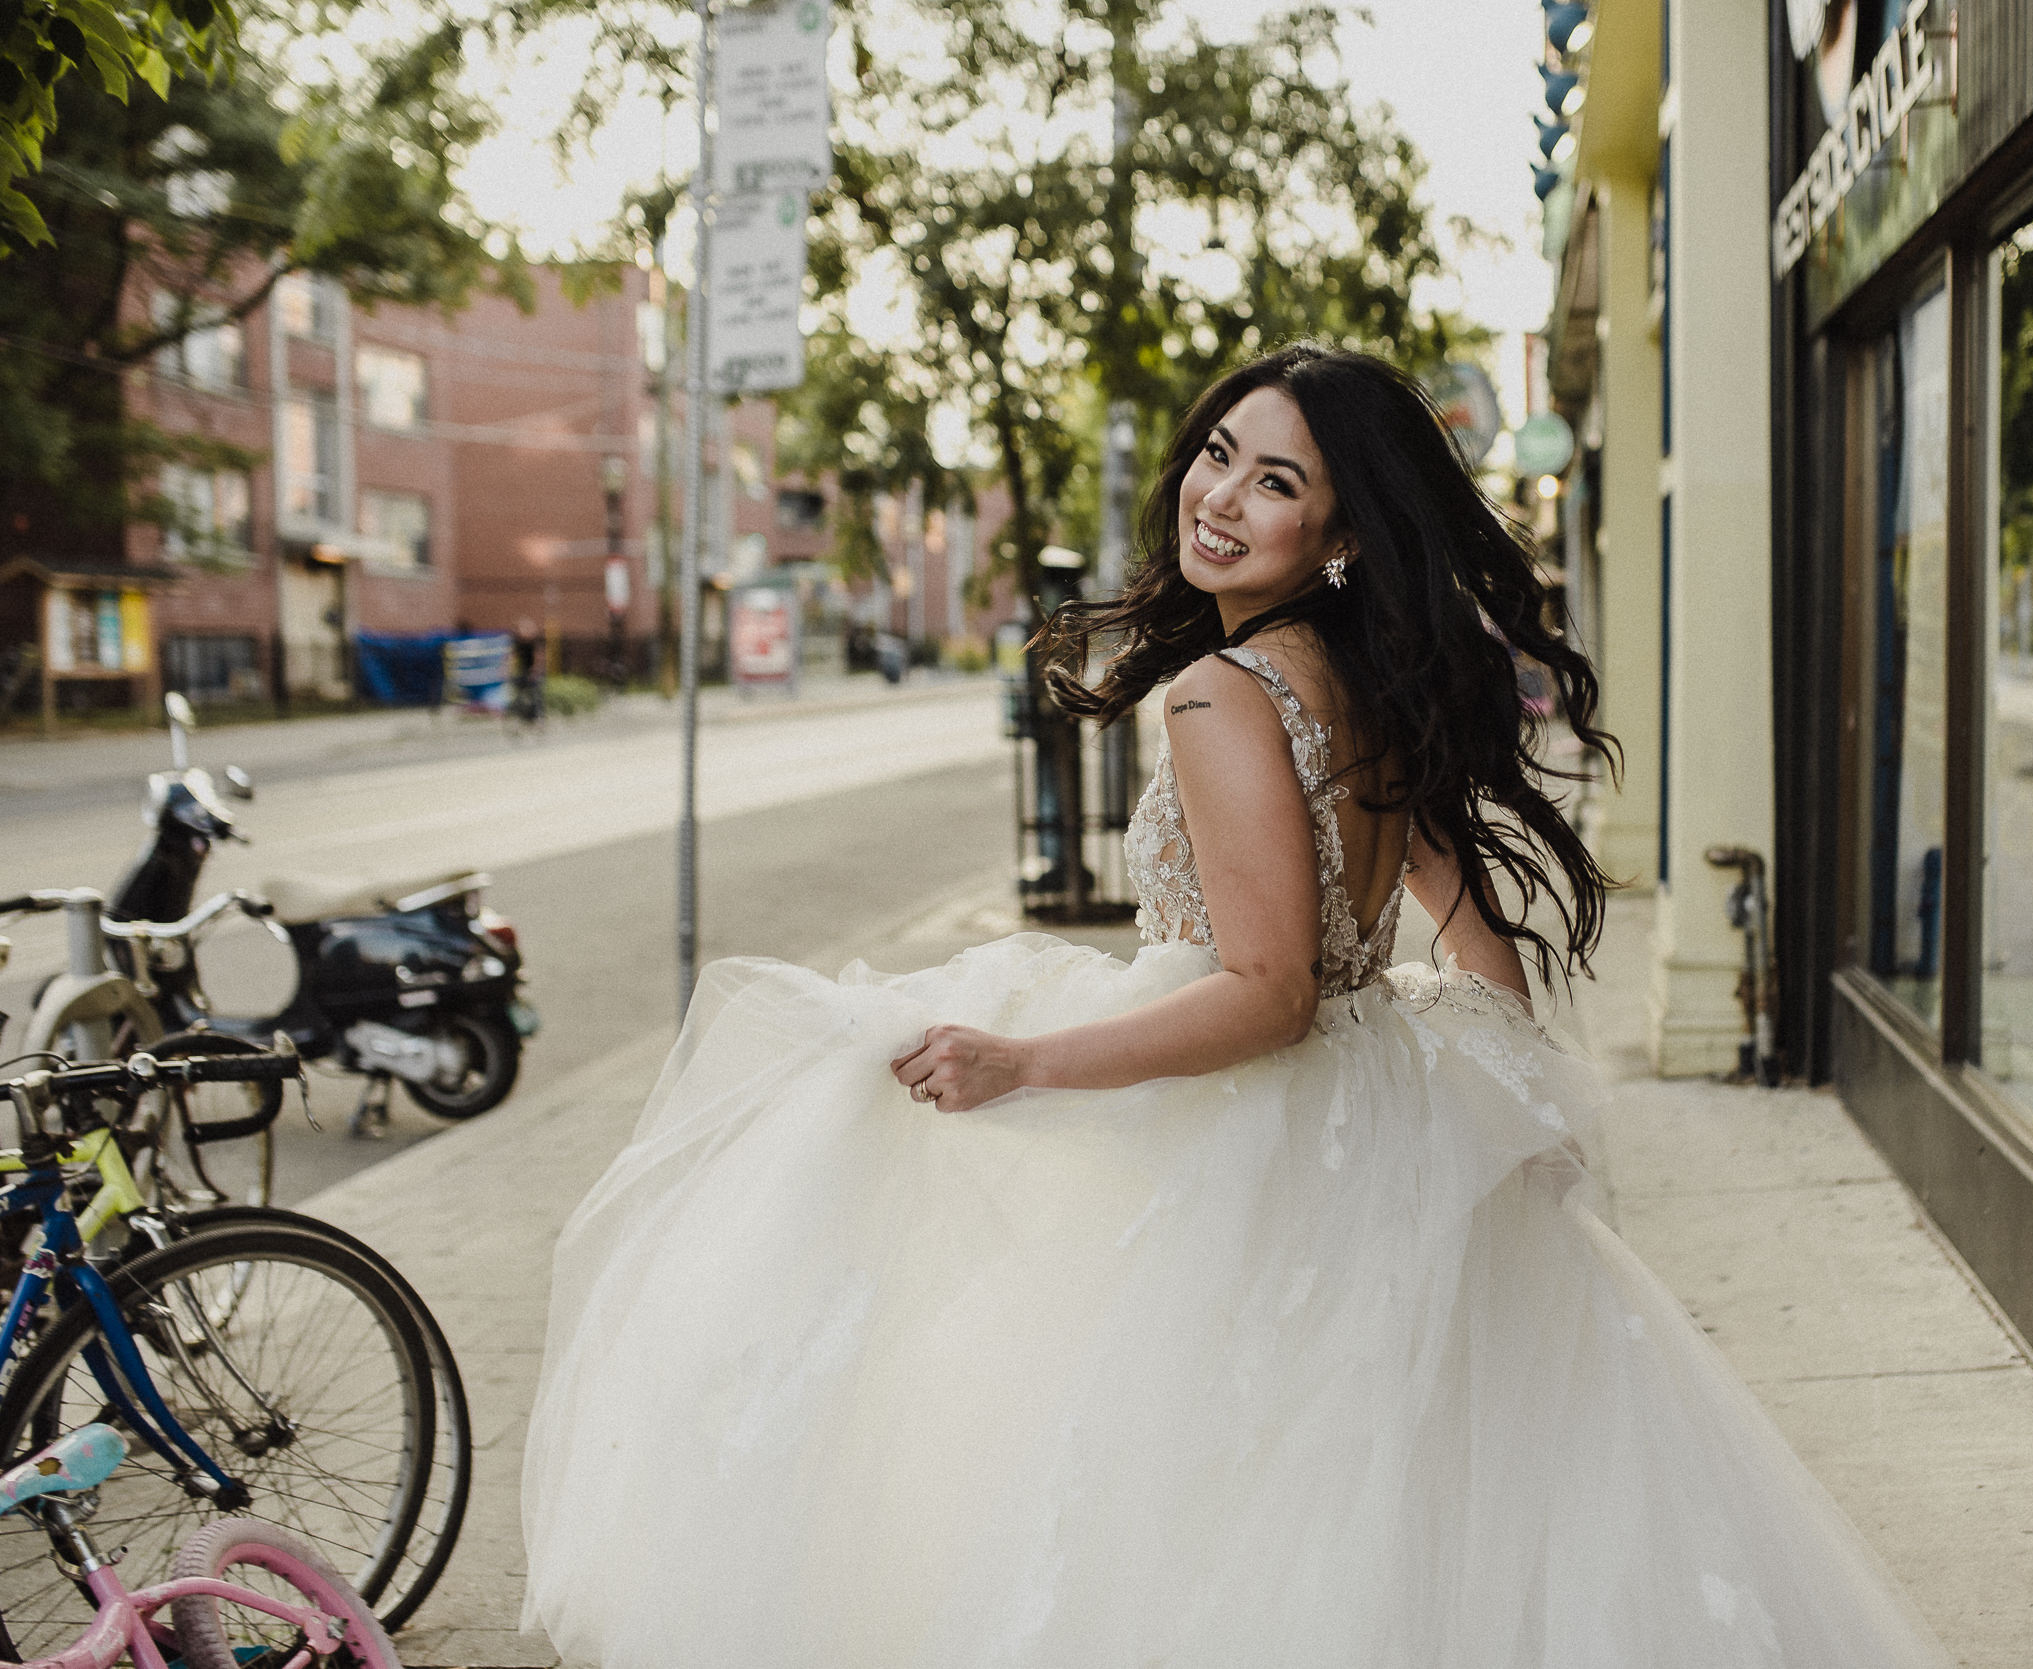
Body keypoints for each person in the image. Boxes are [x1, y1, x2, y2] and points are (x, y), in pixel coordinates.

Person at [520, 345, 1948, 1668]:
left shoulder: (1219, 694)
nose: (1218, 495)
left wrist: (1024, 1059)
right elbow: (1480, 946)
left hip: (1250, 1134)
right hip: (1369, 1106)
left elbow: (1262, 993)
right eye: (1218, 453)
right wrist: (1507, 1112)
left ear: (1338, 536)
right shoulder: (1375, 685)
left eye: (1276, 482)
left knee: (1153, 1489)